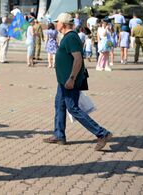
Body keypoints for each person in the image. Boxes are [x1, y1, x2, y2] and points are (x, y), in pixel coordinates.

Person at [44, 12, 113, 151]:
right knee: (59, 105)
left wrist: (72, 78)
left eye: (58, 22)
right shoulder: (67, 37)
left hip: (70, 81)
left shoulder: (71, 37)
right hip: (63, 81)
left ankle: (102, 133)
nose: (56, 24)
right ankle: (59, 135)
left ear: (63, 24)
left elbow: (78, 59)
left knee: (73, 108)